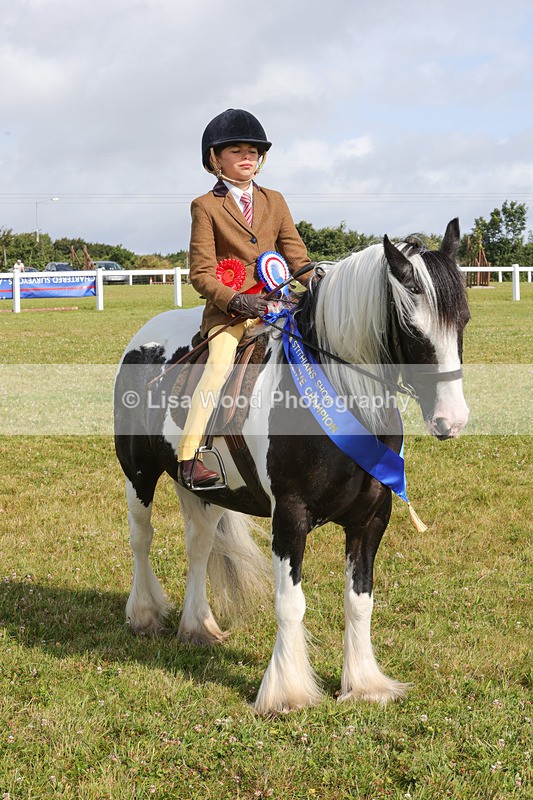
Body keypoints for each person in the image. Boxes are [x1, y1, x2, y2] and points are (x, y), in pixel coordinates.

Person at [178, 108, 311, 487]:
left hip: (279, 305)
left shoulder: (276, 200)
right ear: (215, 159)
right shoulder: (205, 206)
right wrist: (237, 301)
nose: (247, 157)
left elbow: (297, 257)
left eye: (253, 150)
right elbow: (201, 274)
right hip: (232, 313)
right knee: (219, 366)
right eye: (236, 150)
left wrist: (317, 282)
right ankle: (189, 457)